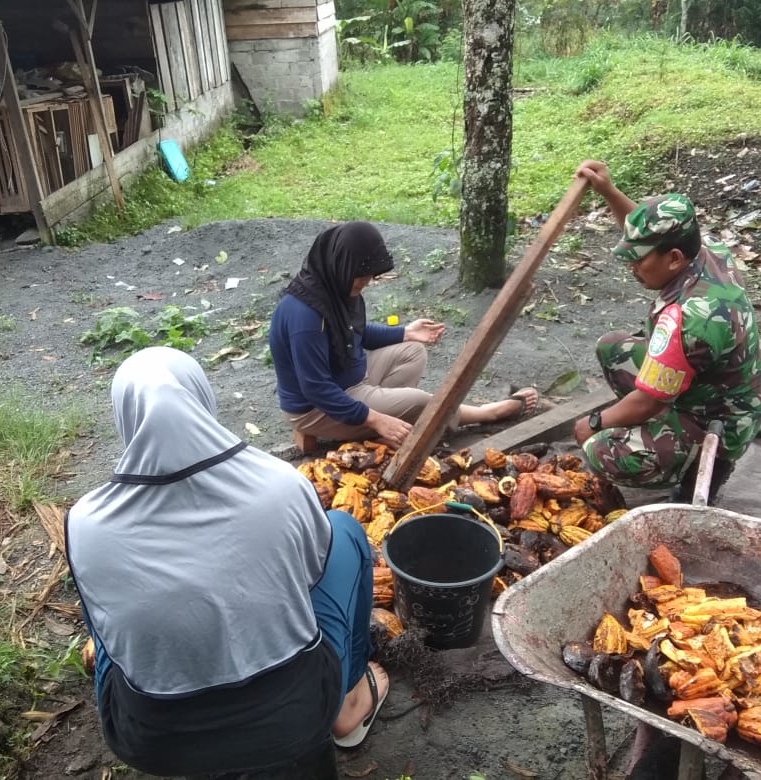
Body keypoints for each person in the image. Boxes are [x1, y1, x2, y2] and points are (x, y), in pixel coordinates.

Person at [65, 347, 389, 779]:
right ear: (202, 400)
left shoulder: (86, 521)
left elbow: (104, 620)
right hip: (297, 715)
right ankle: (347, 705)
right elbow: (310, 575)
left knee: (103, 614)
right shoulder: (280, 484)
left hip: (150, 741)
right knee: (343, 530)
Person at [571, 160, 761, 502]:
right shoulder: (709, 251)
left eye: (638, 261)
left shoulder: (690, 320)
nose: (632, 268)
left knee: (598, 448)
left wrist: (593, 422)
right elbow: (652, 235)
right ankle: (664, 426)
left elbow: (647, 401)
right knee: (613, 348)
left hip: (720, 418)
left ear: (674, 258)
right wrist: (608, 191)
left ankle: (701, 465)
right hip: (712, 385)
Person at [269, 221, 540, 449]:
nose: (366, 282)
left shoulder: (333, 286)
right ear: (342, 264)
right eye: (361, 276)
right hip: (319, 408)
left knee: (412, 351)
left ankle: (388, 419)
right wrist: (375, 419)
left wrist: (406, 332)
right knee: (423, 402)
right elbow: (316, 389)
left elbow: (357, 333)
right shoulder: (305, 316)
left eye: (370, 276)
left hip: (351, 380)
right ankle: (486, 413)